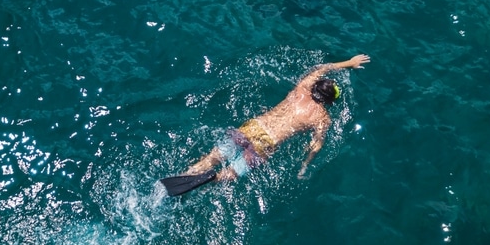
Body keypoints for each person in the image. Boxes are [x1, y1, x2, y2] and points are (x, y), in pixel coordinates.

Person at [159, 54, 370, 196]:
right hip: (266, 144)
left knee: (213, 157)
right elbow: (316, 145)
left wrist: (348, 62)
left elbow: (323, 68)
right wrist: (305, 165)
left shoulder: (302, 88)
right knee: (231, 174)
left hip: (253, 127)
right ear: (329, 102)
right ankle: (214, 178)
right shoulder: (322, 118)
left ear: (316, 87)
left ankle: (187, 175)